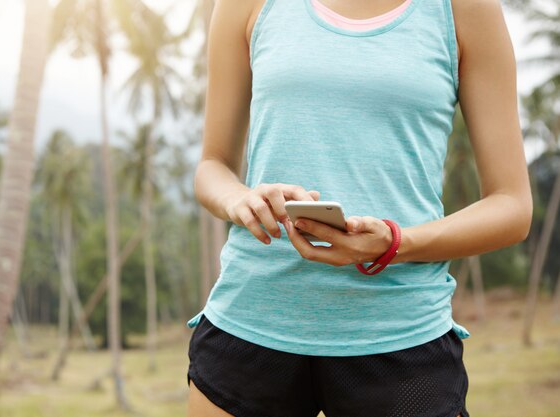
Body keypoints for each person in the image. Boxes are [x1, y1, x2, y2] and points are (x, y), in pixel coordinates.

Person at [187, 0, 532, 416]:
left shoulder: (463, 9)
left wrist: (395, 242)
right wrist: (239, 199)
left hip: (401, 337)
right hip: (250, 323)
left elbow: (512, 205)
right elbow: (212, 166)